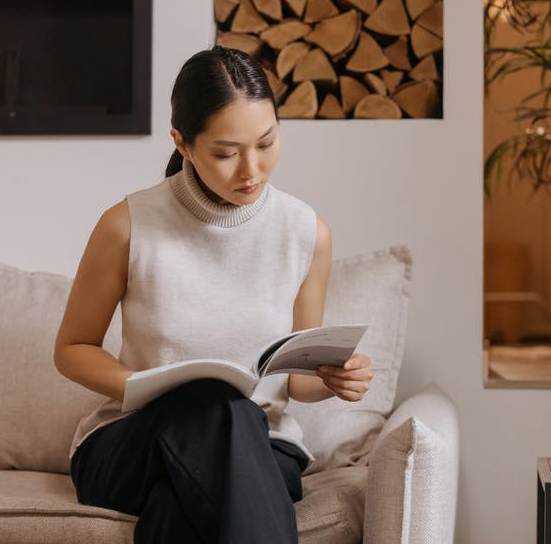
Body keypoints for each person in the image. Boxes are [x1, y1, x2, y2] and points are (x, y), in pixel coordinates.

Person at [53, 46, 374, 543]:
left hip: (262, 448)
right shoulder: (127, 225)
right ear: (183, 143)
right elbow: (72, 349)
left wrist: (334, 376)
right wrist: (146, 384)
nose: (251, 170)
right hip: (133, 445)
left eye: (266, 144)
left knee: (192, 484)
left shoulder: (306, 232)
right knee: (212, 402)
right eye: (226, 153)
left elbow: (297, 382)